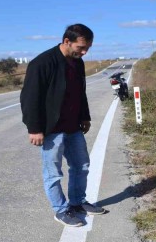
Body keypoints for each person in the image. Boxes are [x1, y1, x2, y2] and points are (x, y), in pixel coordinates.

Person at [20, 24, 105, 227]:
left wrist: (85, 117)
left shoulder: (78, 63)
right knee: (53, 173)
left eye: (88, 48)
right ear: (67, 41)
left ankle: (77, 203)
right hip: (51, 130)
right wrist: (34, 128)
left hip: (73, 127)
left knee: (81, 166)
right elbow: (29, 98)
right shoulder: (42, 63)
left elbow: (80, 92)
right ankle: (61, 210)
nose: (84, 52)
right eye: (81, 47)